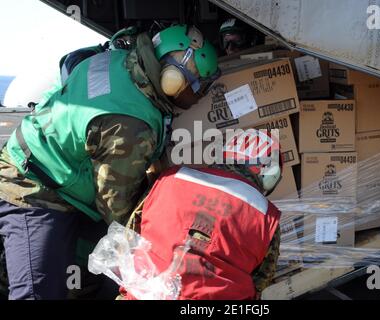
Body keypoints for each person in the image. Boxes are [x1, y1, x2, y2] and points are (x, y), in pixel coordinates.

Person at [0, 24, 219, 300]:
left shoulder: (118, 61)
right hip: (32, 188)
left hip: (60, 176)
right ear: (173, 78)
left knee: (89, 275)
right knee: (37, 292)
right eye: (197, 86)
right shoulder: (132, 122)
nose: (196, 95)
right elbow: (115, 206)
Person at [118, 129, 282, 300]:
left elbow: (129, 234)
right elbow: (261, 280)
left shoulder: (171, 177)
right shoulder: (265, 215)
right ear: (272, 172)